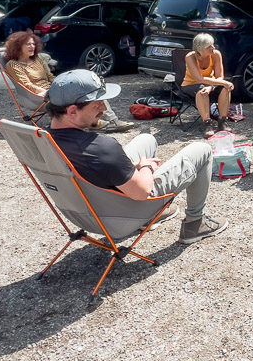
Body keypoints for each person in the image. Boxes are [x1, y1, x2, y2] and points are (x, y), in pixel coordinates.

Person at [47, 69, 227, 245]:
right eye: (97, 103)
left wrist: (129, 165)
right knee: (201, 150)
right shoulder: (102, 148)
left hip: (83, 213)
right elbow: (142, 191)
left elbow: (91, 167)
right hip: (121, 215)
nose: (104, 107)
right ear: (72, 111)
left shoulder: (44, 140)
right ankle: (194, 224)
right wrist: (146, 167)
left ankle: (152, 218)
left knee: (146, 139)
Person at [4, 30, 134, 132]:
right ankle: (97, 123)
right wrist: (50, 92)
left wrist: (62, 85)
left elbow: (50, 77)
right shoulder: (13, 65)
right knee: (83, 97)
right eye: (28, 44)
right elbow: (27, 86)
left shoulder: (37, 59)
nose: (32, 46)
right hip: (39, 96)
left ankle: (111, 121)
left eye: (33, 43)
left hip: (53, 90)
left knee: (94, 91)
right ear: (18, 46)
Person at [182, 33, 235, 137]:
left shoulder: (216, 54)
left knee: (225, 88)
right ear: (200, 48)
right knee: (202, 90)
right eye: (209, 46)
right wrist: (223, 82)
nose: (213, 48)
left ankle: (222, 121)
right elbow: (199, 79)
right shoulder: (190, 57)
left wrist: (212, 87)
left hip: (210, 84)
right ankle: (206, 123)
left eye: (213, 44)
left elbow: (220, 77)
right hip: (191, 84)